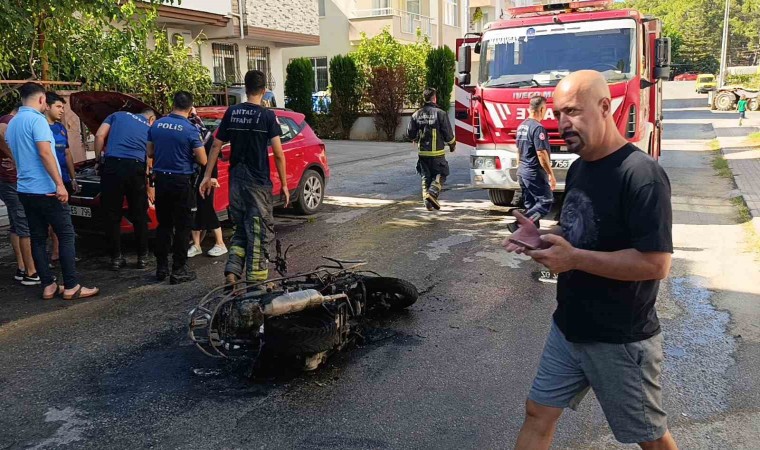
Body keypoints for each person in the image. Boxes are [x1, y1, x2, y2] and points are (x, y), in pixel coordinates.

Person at [504, 71, 677, 450]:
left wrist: (575, 259)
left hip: (620, 339)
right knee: (538, 412)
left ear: (604, 107)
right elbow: (579, 232)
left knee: (648, 437)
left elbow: (655, 264)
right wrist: (545, 237)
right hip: (569, 327)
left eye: (573, 112)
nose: (563, 124)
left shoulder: (642, 175)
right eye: (558, 114)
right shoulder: (581, 166)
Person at [5, 82, 98, 300]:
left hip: (25, 189)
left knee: (37, 237)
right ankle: (71, 286)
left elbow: (14, 153)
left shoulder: (14, 123)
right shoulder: (37, 121)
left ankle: (47, 285)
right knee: (66, 235)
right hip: (46, 189)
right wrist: (58, 183)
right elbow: (46, 153)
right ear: (41, 100)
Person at [200, 70, 288, 286]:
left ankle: (232, 271)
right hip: (257, 182)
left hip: (236, 181)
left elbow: (216, 145)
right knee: (259, 232)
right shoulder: (267, 116)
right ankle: (257, 284)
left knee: (241, 228)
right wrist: (284, 184)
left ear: (245, 89)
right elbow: (278, 153)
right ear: (264, 91)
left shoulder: (232, 112)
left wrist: (206, 175)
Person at [147, 91, 207, 284]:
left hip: (161, 180)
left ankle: (161, 267)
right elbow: (203, 159)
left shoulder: (157, 125)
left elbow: (149, 151)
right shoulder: (190, 129)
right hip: (181, 181)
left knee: (164, 225)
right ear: (190, 108)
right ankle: (179, 269)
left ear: (173, 104)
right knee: (183, 226)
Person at [94, 106, 156, 270]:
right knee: (139, 214)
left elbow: (100, 135)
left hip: (113, 166)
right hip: (135, 168)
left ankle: (116, 258)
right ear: (151, 119)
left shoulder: (116, 114)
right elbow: (149, 158)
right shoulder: (149, 127)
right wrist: (149, 186)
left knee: (112, 214)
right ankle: (142, 258)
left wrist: (98, 159)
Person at [0, 104, 39, 285]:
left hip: (9, 180)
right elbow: (1, 133)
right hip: (11, 180)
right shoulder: (9, 120)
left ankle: (22, 267)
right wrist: (15, 157)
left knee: (16, 224)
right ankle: (30, 272)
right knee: (23, 223)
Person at [507, 95, 556, 233]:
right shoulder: (538, 128)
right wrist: (551, 174)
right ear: (541, 109)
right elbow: (541, 153)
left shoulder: (522, 126)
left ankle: (530, 234)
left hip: (523, 170)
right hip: (534, 171)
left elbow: (518, 150)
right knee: (545, 202)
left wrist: (520, 168)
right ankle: (518, 225)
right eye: (545, 109)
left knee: (531, 204)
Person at [406, 87, 456, 211]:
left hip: (423, 153)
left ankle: (428, 203)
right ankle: (432, 193)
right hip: (437, 153)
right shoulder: (440, 113)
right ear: (434, 98)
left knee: (425, 177)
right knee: (442, 173)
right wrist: (452, 144)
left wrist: (415, 138)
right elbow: (448, 133)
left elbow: (410, 134)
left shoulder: (416, 114)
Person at [45, 92, 80, 265]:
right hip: (48, 181)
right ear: (47, 106)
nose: (61, 111)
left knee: (64, 218)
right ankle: (55, 252)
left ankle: (62, 252)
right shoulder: (41, 128)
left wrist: (73, 178)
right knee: (51, 221)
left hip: (64, 179)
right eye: (58, 107)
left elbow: (67, 153)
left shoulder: (60, 128)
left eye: (63, 107)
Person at [187, 115, 227, 259]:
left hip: (206, 178)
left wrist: (212, 178)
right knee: (194, 209)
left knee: (207, 208)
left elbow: (212, 159)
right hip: (194, 177)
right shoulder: (196, 135)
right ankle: (196, 245)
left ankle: (220, 243)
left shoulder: (206, 138)